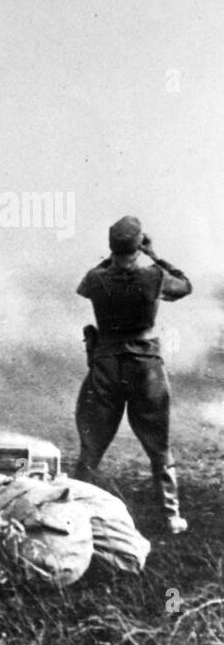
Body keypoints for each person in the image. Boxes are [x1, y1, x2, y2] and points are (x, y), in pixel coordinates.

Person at [74, 216, 192, 534]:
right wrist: (153, 254)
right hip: (146, 366)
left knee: (92, 444)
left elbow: (93, 281)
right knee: (159, 444)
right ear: (138, 244)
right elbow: (184, 285)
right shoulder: (153, 276)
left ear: (111, 246)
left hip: (106, 364)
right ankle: (171, 516)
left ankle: (70, 510)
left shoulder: (95, 278)